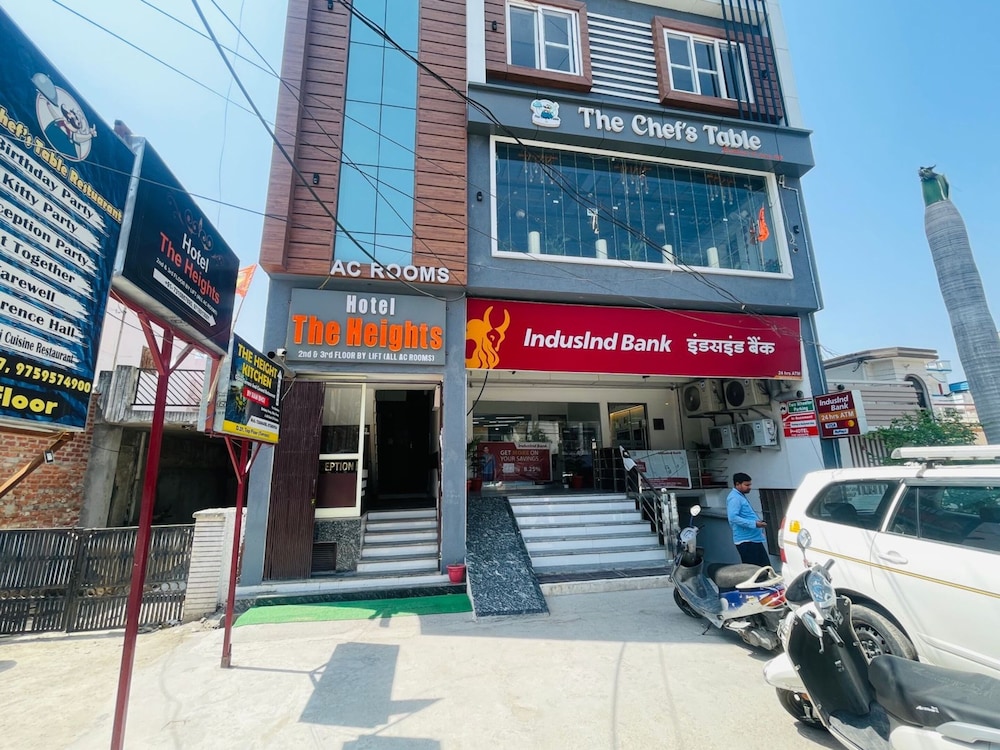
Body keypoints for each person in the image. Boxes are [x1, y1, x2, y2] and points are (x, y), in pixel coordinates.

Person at [726, 472, 771, 568]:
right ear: (737, 484)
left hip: (753, 539)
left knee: (765, 568)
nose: (749, 487)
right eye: (746, 485)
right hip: (746, 541)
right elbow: (733, 518)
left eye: (750, 485)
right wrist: (754, 524)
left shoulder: (740, 496)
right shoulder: (734, 498)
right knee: (754, 570)